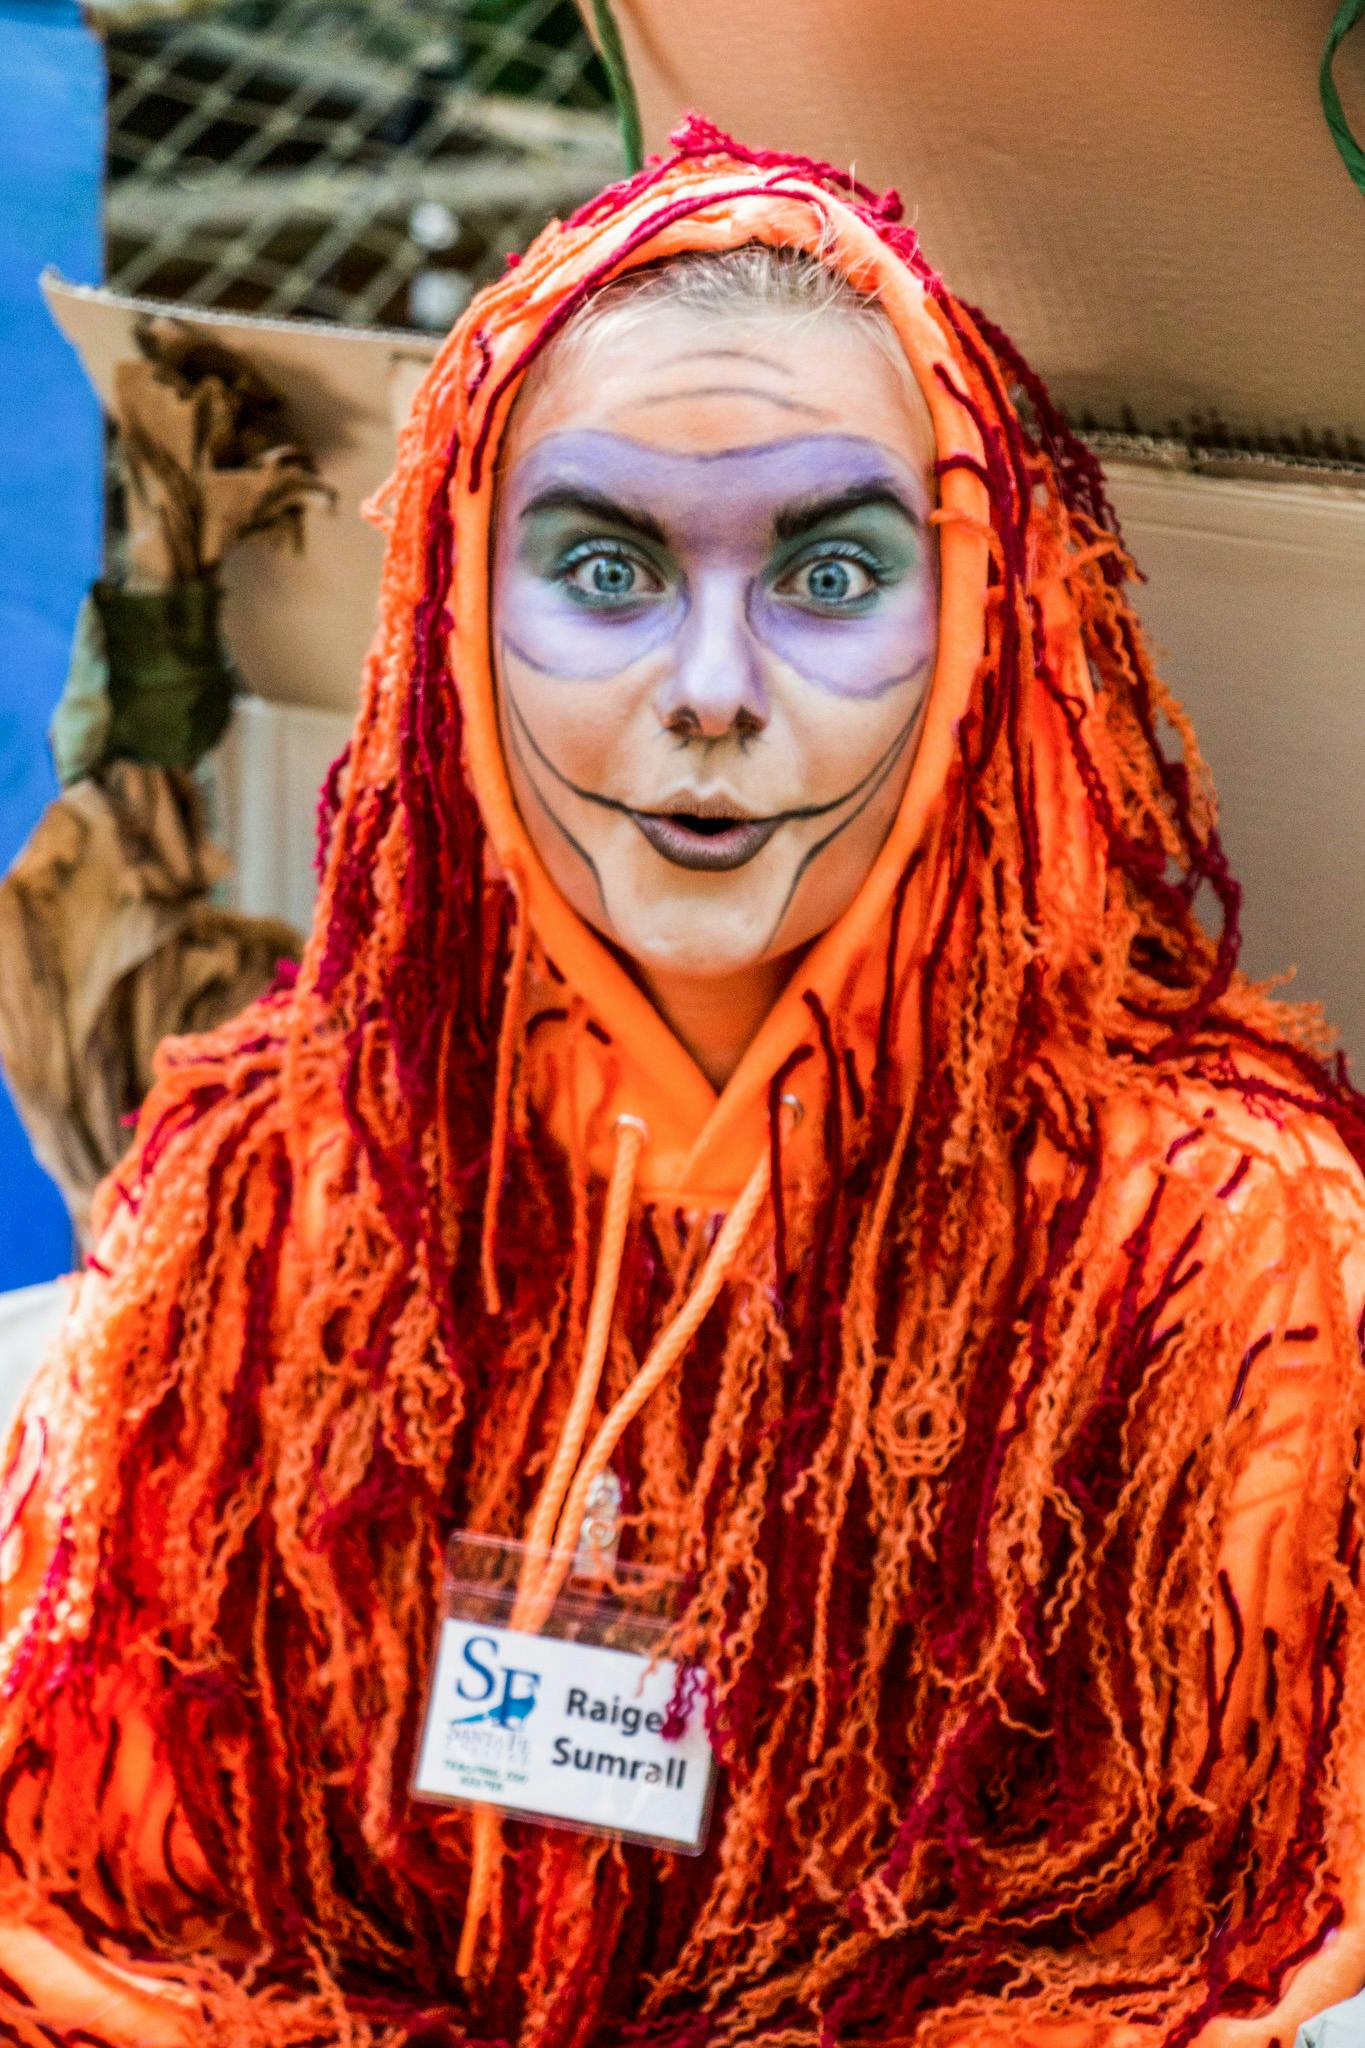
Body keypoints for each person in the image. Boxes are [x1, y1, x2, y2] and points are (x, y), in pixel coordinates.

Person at [0, 116, 1363, 2048]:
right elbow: (92, 1893)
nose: (710, 688)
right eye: (604, 565)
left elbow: (1226, 1958)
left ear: (981, 625)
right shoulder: (284, 1198)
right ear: (453, 624)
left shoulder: (1215, 1263)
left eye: (825, 571)